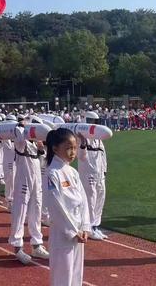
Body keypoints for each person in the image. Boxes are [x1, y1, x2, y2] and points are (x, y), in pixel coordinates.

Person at [46, 128, 90, 286]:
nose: (73, 152)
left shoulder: (72, 172)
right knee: (62, 276)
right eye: (68, 148)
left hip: (78, 230)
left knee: (76, 275)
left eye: (75, 148)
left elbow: (83, 200)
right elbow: (56, 205)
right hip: (63, 232)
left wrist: (84, 226)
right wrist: (72, 230)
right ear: (55, 149)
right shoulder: (52, 173)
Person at [8, 118, 49, 264]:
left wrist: (40, 149)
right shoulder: (21, 143)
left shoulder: (37, 145)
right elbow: (18, 137)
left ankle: (36, 245)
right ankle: (18, 247)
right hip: (23, 180)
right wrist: (22, 126)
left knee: (36, 212)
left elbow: (43, 162)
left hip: (36, 180)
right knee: (20, 212)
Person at [77, 112, 108, 240]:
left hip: (100, 173)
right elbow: (81, 157)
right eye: (92, 121)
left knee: (100, 199)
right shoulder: (81, 137)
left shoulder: (98, 138)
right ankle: (88, 228)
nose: (95, 124)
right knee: (90, 200)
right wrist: (83, 144)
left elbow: (103, 155)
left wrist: (105, 169)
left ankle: (95, 225)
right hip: (88, 173)